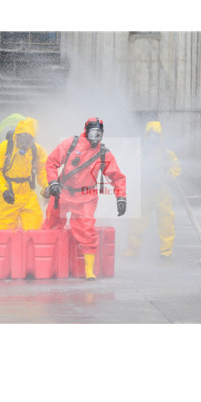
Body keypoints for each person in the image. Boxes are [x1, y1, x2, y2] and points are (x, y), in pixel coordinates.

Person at [42, 117, 127, 280]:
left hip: (85, 197)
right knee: (51, 225)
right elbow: (52, 162)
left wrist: (121, 198)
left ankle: (89, 271)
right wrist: (53, 182)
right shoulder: (70, 144)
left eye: (100, 134)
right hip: (62, 193)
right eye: (94, 133)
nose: (96, 137)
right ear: (86, 131)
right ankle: (47, 264)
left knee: (86, 232)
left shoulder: (103, 153)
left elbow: (117, 177)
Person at [123, 121, 181, 259]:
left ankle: (166, 251)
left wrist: (167, 174)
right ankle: (133, 248)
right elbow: (130, 168)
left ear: (160, 136)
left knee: (166, 221)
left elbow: (176, 169)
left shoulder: (167, 153)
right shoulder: (139, 152)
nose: (153, 138)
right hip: (145, 191)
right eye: (150, 134)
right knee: (136, 221)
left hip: (162, 192)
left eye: (156, 135)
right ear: (146, 135)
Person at [0, 118, 49, 230]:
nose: (25, 143)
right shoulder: (4, 148)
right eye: (22, 139)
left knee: (35, 226)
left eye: (29, 140)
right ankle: (7, 247)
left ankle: (30, 247)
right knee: (5, 229)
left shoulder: (36, 150)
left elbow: (42, 170)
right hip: (9, 191)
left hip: (27, 192)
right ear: (16, 136)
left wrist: (46, 186)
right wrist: (4, 190)